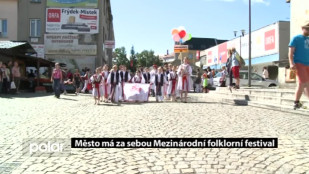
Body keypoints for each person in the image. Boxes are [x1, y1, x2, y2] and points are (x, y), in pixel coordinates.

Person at [289, 22, 309, 110]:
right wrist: (291, 63)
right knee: (302, 83)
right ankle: (296, 102)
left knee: (308, 84)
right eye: (307, 29)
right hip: (300, 64)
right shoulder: (296, 38)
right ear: (303, 28)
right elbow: (291, 52)